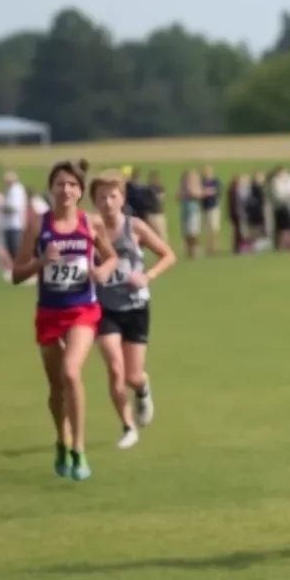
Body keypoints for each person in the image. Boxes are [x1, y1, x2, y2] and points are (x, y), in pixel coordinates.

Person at [13, 160, 118, 481]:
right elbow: (17, 274)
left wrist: (102, 270)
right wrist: (42, 262)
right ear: (51, 189)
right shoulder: (37, 226)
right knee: (56, 387)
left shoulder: (91, 223)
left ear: (81, 191)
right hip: (49, 312)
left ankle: (80, 450)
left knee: (71, 373)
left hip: (82, 311)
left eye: (72, 185)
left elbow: (111, 256)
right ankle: (62, 438)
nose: (66, 190)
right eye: (60, 184)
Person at [90, 170, 176, 449]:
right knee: (115, 368)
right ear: (94, 201)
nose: (107, 202)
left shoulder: (134, 227)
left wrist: (147, 276)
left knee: (132, 375)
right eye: (101, 197)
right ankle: (127, 427)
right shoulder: (89, 230)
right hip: (104, 308)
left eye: (112, 196)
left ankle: (142, 388)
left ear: (122, 198)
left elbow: (168, 255)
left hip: (136, 306)